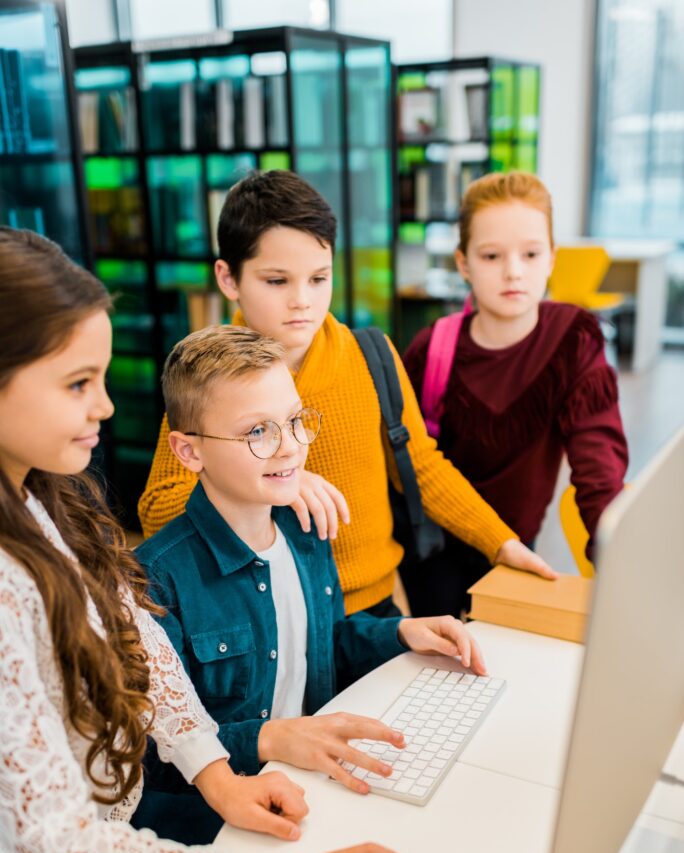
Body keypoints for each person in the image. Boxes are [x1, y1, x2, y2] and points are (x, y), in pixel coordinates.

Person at [0, 229, 421, 853]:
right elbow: (56, 844)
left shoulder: (42, 498)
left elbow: (136, 641)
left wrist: (213, 769)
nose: (107, 407)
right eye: (78, 382)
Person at [138, 170, 555, 619]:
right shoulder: (210, 375)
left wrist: (501, 542)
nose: (302, 300)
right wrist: (272, 488)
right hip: (268, 618)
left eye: (318, 279)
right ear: (228, 279)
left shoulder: (369, 356)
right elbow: (157, 508)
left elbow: (422, 467)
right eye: (277, 281)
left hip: (373, 606)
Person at [132, 324, 487, 845]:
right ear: (188, 452)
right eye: (257, 431)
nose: (291, 447)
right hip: (214, 832)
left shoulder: (305, 531)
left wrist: (400, 633)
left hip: (311, 791)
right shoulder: (153, 579)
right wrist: (272, 738)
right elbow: (149, 755)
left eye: (295, 421)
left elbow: (319, 647)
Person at [402, 171, 629, 616]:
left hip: (519, 547)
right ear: (464, 263)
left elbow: (598, 467)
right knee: (438, 671)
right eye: (491, 255)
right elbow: (402, 459)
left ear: (551, 258)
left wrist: (620, 564)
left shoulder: (574, 339)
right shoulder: (432, 348)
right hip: (432, 553)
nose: (513, 272)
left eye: (530, 253)